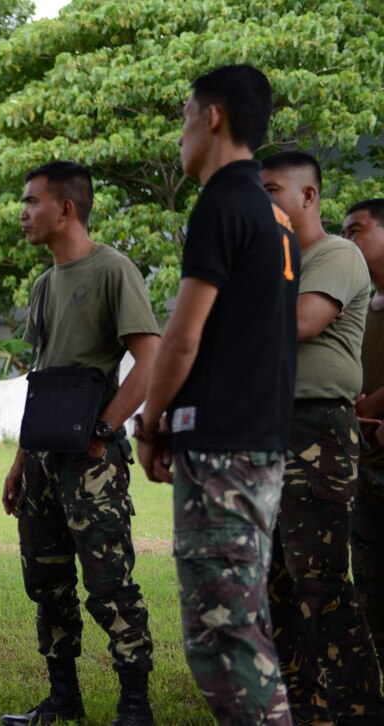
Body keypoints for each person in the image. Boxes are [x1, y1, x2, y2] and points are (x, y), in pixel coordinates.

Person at [135, 64, 299, 725]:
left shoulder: (222, 203)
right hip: (258, 442)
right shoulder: (274, 213)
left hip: (224, 450)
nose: (180, 135)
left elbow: (181, 337)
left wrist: (150, 423)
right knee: (241, 625)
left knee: (224, 640)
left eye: (183, 118)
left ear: (212, 117)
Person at [0, 161, 160, 726]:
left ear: (65, 208)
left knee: (109, 582)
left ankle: (135, 707)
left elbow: (150, 360)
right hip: (43, 455)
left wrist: (104, 431)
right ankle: (63, 698)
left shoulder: (113, 269)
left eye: (32, 201)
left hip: (91, 460)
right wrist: (20, 461)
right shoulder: (44, 284)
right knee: (47, 583)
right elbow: (42, 376)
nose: (23, 212)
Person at [260, 152, 383, 724]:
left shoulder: (336, 253)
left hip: (315, 429)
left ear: (308, 197)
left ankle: (359, 710)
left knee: (320, 582)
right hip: (264, 431)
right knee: (272, 585)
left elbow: (302, 321)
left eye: (271, 191)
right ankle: (304, 711)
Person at [345, 198, 384, 665]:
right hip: (364, 469)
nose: (347, 240)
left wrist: (366, 406)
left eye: (356, 230)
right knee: (372, 595)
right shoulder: (359, 305)